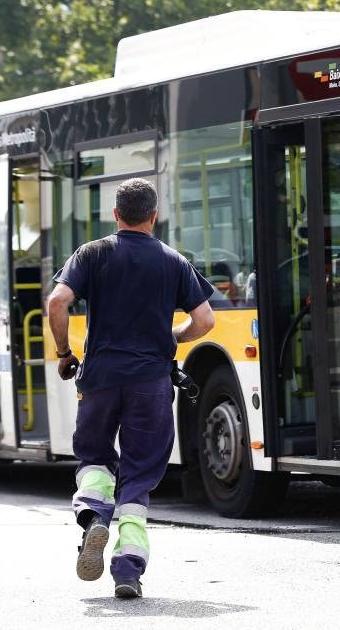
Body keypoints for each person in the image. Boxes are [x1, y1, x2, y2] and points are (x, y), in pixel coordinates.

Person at [47, 178, 215, 599]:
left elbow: (56, 302)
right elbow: (206, 321)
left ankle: (93, 518)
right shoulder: (174, 261)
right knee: (138, 478)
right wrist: (173, 335)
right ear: (154, 216)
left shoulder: (92, 253)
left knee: (94, 458)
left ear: (116, 215)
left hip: (100, 378)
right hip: (151, 384)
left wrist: (65, 353)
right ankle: (127, 570)